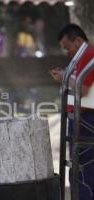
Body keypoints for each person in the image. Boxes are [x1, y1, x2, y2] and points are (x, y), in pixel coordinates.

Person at [50, 23, 94, 200]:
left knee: (84, 167)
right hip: (79, 117)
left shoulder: (89, 54)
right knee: (78, 165)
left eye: (67, 47)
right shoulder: (81, 56)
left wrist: (64, 78)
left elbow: (82, 89)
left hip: (86, 119)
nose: (67, 52)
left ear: (77, 41)